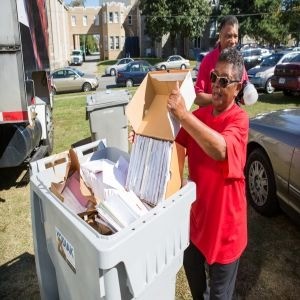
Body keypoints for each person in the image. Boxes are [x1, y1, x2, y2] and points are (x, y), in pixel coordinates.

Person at [167, 47, 249, 300]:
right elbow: (174, 145)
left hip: (226, 234)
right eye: (214, 77)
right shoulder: (199, 115)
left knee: (219, 295)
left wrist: (182, 115)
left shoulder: (239, 120)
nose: (215, 85)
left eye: (224, 81)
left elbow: (221, 149)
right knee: (196, 289)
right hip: (196, 224)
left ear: (237, 87)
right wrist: (146, 133)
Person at [194, 15, 248, 107]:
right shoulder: (208, 60)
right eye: (228, 36)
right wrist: (219, 97)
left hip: (231, 118)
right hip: (210, 120)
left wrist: (247, 95)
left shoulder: (238, 62)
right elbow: (197, 97)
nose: (233, 41)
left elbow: (244, 94)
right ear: (220, 35)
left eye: (235, 36)